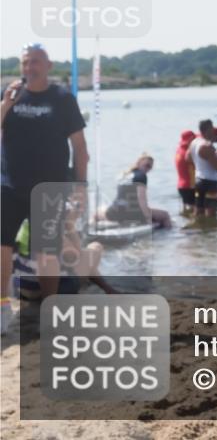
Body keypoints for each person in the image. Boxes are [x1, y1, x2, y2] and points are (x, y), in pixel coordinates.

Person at [1, 43, 88, 333]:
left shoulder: (62, 99)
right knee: (1, 246)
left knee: (46, 252)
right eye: (25, 62)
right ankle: (2, 308)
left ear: (48, 65)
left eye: (35, 62)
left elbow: (79, 147)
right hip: (9, 185)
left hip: (49, 188)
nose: (29, 68)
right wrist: (5, 105)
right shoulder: (10, 93)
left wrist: (80, 187)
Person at [99, 154, 171, 229]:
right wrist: (147, 219)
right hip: (132, 214)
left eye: (150, 167)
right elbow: (142, 199)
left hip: (113, 213)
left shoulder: (125, 175)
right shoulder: (141, 176)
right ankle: (170, 238)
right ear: (139, 162)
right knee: (165, 215)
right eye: (147, 165)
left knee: (99, 211)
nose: (149, 169)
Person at [189, 120, 217, 218]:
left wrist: (200, 164)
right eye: (212, 128)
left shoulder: (194, 142)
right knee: (211, 215)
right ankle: (209, 232)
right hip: (210, 182)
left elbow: (188, 158)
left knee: (198, 212)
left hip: (199, 180)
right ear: (208, 129)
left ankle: (197, 230)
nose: (213, 130)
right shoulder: (207, 146)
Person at [175, 130, 197, 214]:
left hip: (181, 185)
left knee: (186, 211)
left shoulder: (179, 150)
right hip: (189, 186)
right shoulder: (188, 153)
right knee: (194, 212)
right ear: (190, 139)